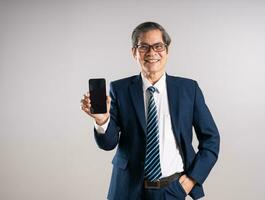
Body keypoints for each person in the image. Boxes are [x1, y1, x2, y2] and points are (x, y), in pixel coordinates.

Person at [81, 22, 220, 200]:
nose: (151, 52)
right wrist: (101, 120)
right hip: (127, 190)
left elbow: (211, 139)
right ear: (134, 52)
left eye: (158, 46)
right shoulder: (120, 89)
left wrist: (191, 181)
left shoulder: (188, 89)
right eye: (143, 47)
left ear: (167, 51)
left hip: (172, 190)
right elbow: (108, 144)